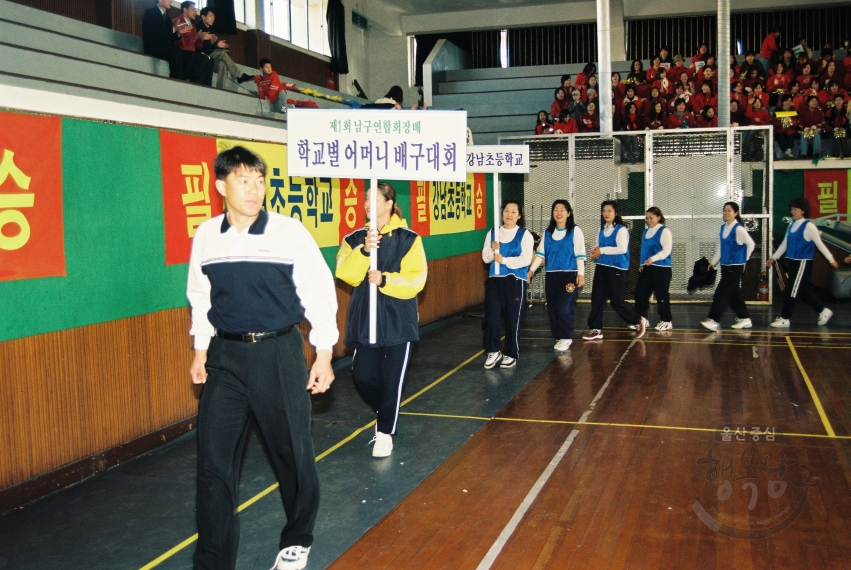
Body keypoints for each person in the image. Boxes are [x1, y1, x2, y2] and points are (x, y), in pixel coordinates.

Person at [187, 146, 338, 570]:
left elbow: (319, 294)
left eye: (260, 181)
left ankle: (297, 537)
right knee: (213, 462)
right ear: (221, 186)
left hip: (278, 353)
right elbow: (200, 297)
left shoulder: (288, 233)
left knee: (291, 451)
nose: (255, 190)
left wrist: (323, 353)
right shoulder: (206, 236)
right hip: (225, 358)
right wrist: (201, 349)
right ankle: (212, 560)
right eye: (243, 181)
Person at [335, 183, 427, 457]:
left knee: (392, 379)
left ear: (389, 204)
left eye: (373, 199)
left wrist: (385, 279)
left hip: (397, 319)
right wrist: (364, 252)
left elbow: (416, 279)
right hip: (365, 318)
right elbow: (344, 274)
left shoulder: (409, 238)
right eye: (365, 200)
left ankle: (384, 432)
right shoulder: (354, 238)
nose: (366, 204)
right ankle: (386, 409)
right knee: (363, 376)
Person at [766, 198, 837, 328]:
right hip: (792, 262)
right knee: (803, 290)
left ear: (803, 211)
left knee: (792, 291)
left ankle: (785, 318)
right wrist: (774, 257)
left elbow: (820, 245)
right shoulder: (791, 225)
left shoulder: (809, 226)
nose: (792, 211)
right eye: (791, 209)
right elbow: (785, 244)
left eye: (795, 209)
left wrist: (831, 259)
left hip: (803, 263)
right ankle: (823, 311)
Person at [582, 201, 646, 341]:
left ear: (615, 213)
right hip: (602, 267)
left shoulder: (621, 230)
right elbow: (598, 245)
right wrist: (595, 250)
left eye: (609, 211)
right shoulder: (601, 229)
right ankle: (596, 328)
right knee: (597, 299)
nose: (606, 213)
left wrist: (602, 250)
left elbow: (622, 249)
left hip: (617, 269)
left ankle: (638, 319)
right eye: (604, 211)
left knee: (617, 300)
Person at [482, 201, 534, 369]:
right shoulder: (493, 233)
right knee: (491, 317)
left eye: (513, 211)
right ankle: (493, 350)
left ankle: (510, 353)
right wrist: (492, 249)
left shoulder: (525, 235)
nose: (509, 214)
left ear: (519, 216)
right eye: (506, 210)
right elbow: (485, 258)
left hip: (515, 281)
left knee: (513, 319)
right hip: (495, 280)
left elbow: (526, 260)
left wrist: (504, 259)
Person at [528, 200, 586, 351]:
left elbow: (580, 254)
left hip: (569, 276)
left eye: (562, 209)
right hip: (552, 276)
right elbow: (540, 255)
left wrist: (580, 274)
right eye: (556, 210)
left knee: (563, 307)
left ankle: (567, 336)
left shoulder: (575, 231)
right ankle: (559, 335)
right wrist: (531, 271)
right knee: (553, 308)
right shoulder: (548, 233)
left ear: (568, 213)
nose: (559, 213)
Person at [701, 202, 754, 331]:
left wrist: (744, 260)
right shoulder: (723, 228)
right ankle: (745, 318)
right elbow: (720, 247)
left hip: (735, 266)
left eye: (729, 211)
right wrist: (713, 262)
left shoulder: (739, 229)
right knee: (733, 294)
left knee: (721, 293)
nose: (726, 213)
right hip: (725, 266)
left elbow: (751, 244)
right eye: (724, 210)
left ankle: (714, 320)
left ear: (735, 213)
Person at [634, 207, 673, 331]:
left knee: (661, 295)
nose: (649, 220)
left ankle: (666, 320)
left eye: (651, 218)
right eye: (647, 218)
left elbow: (666, 250)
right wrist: (642, 264)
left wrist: (653, 259)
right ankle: (642, 319)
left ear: (658, 217)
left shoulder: (664, 231)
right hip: (648, 268)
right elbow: (644, 250)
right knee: (640, 293)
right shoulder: (645, 232)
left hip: (661, 268)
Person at [196, 7, 253, 89]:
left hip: (209, 57)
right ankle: (239, 75)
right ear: (203, 17)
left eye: (214, 17)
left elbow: (210, 48)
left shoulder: (211, 31)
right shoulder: (197, 28)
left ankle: (221, 89)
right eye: (211, 16)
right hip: (201, 57)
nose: (213, 18)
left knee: (222, 64)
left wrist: (217, 45)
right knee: (222, 53)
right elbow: (198, 47)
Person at [142, 0, 195, 80]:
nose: (171, 1)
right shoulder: (150, 12)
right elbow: (155, 32)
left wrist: (179, 33)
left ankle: (186, 79)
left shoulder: (167, 17)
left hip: (165, 47)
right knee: (175, 51)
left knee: (189, 55)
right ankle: (176, 79)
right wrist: (174, 28)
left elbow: (169, 36)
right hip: (153, 46)